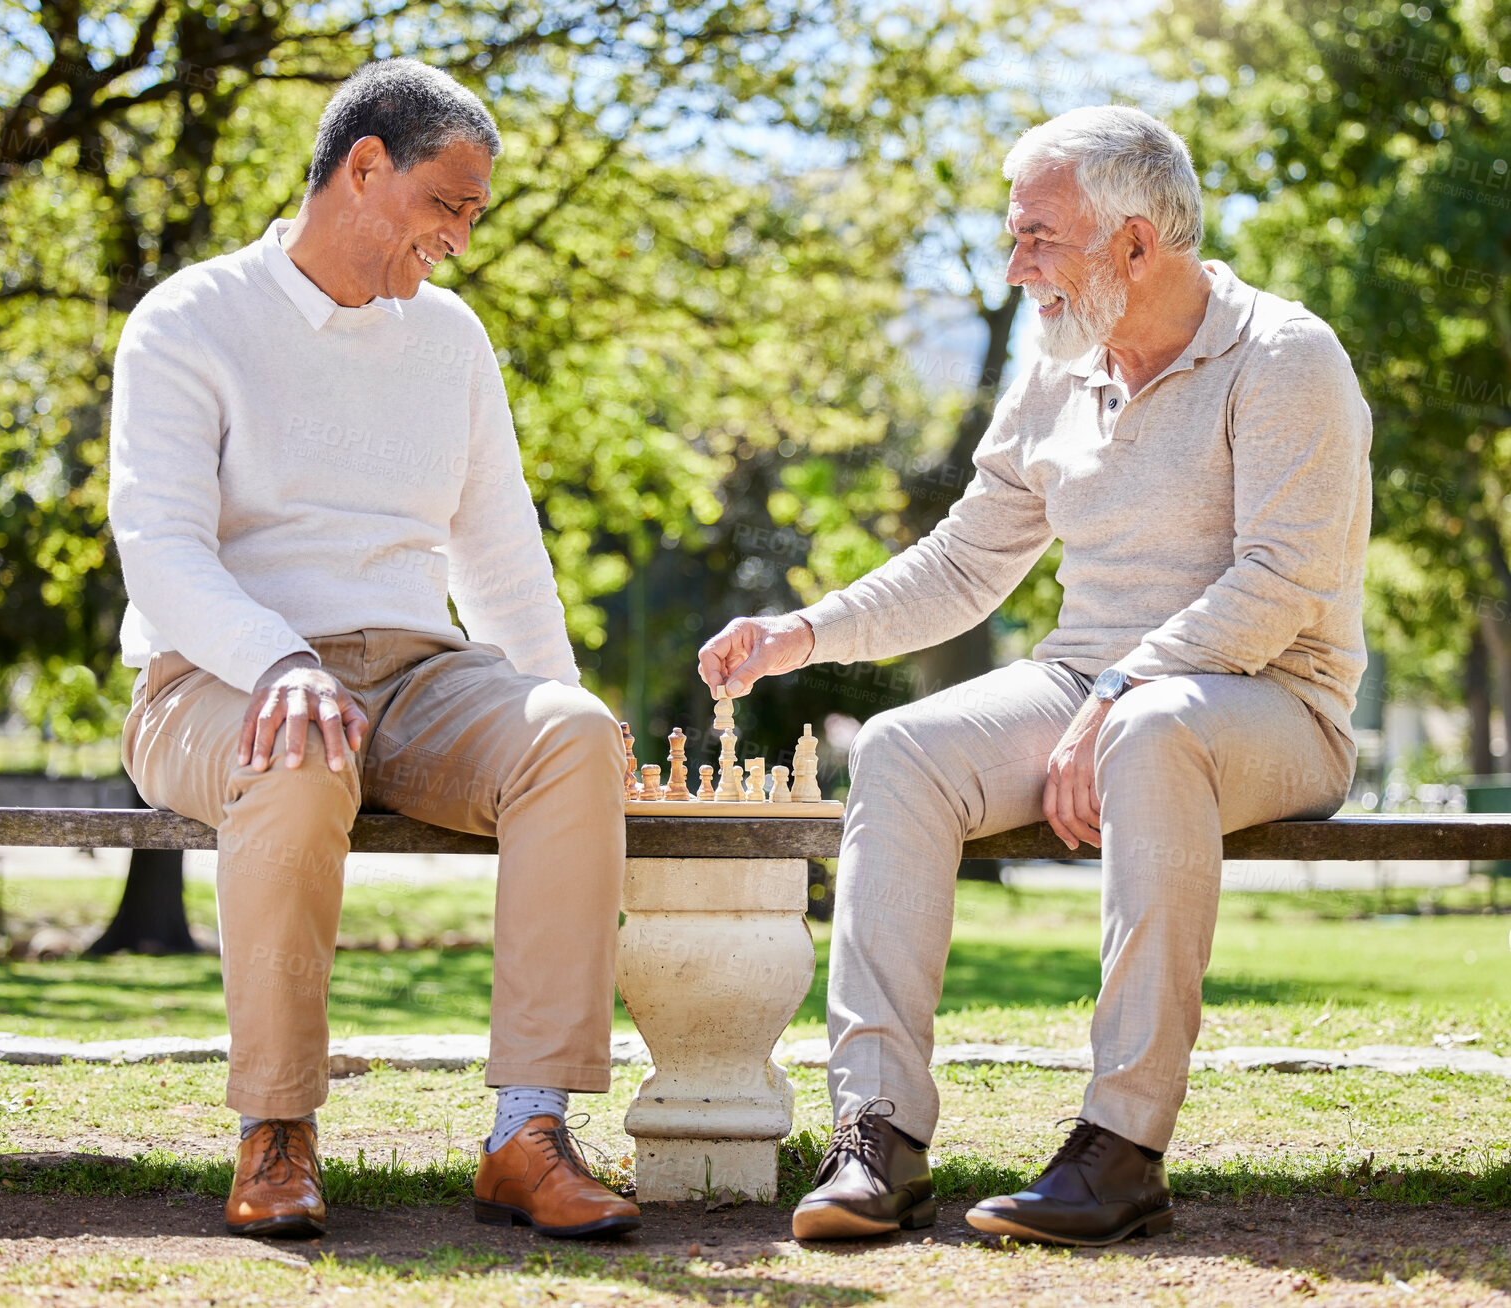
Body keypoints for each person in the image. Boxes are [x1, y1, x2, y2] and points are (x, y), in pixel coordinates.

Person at [699, 104, 1370, 1247]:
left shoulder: (1283, 356)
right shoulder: (1059, 369)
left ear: (1136, 243)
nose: (1016, 269)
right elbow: (965, 562)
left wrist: (1119, 697)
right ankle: (877, 1135)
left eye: (1037, 240)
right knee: (903, 749)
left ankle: (1121, 1148)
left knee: (1155, 729)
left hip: (1275, 702)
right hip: (1090, 692)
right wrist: (803, 632)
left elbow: (1279, 582)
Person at [109, 58, 639, 1241]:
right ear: (362, 168)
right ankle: (278, 1130)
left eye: (474, 215)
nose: (458, 238)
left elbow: (501, 554)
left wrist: (565, 709)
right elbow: (160, 549)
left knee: (569, 735)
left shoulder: (450, 339)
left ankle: (528, 1129)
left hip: (414, 673)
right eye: (446, 205)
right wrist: (279, 662)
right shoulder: (190, 319)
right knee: (295, 757)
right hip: (216, 678)